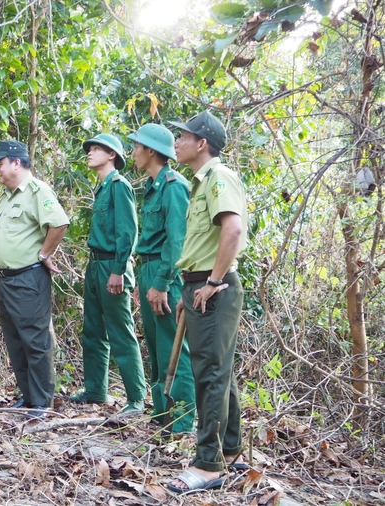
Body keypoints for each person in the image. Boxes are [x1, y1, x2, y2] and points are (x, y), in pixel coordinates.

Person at [167, 111, 248, 493]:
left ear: (202, 143)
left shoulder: (218, 178)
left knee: (210, 375)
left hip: (213, 287)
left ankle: (209, 465)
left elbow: (233, 229)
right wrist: (192, 287)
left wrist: (213, 282)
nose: (177, 142)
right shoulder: (200, 183)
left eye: (182, 136)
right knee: (220, 371)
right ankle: (229, 450)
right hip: (199, 284)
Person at [0, 140, 69, 418]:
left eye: (0, 164)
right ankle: (28, 396)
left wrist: (45, 253)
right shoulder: (6, 197)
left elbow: (59, 223)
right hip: (6, 279)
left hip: (29, 278)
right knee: (15, 342)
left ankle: (43, 402)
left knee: (35, 341)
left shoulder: (37, 191)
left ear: (16, 163)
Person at [72, 133, 147, 416]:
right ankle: (95, 390)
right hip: (95, 265)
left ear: (112, 155)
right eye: (89, 148)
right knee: (93, 329)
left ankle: (136, 399)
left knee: (120, 331)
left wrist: (118, 270)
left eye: (96, 149)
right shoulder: (102, 187)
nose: (90, 153)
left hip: (112, 267)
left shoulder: (119, 185)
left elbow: (127, 232)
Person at [129, 124, 196, 433]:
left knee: (174, 350)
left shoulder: (174, 186)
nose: (133, 153)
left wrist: (161, 284)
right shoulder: (153, 186)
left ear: (151, 151)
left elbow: (177, 241)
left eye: (137, 147)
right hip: (148, 272)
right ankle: (162, 418)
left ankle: (181, 424)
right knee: (156, 349)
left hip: (163, 275)